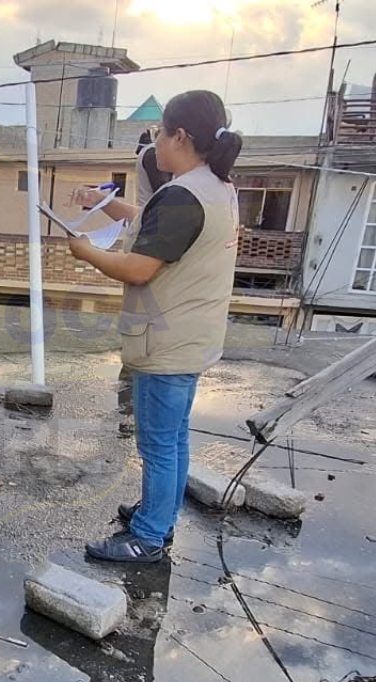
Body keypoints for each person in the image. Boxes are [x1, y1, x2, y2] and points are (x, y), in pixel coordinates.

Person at [68, 90, 242, 563]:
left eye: (160, 133)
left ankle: (148, 537)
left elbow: (139, 268)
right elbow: (151, 222)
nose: (156, 143)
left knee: (159, 443)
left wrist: (87, 252)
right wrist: (101, 203)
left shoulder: (183, 194)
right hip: (194, 334)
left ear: (180, 136)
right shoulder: (215, 187)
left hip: (167, 339)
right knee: (175, 437)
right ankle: (160, 514)